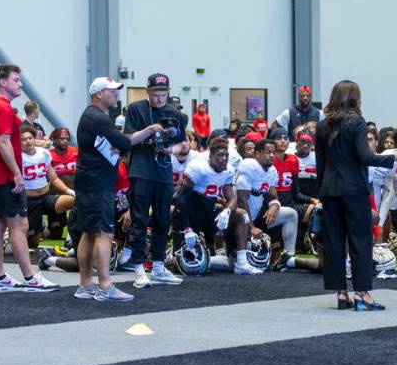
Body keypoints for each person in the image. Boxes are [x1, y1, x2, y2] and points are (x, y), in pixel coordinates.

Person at [316, 80, 397, 310]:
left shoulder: (321, 125)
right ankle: (362, 294)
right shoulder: (357, 122)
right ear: (353, 98)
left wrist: (322, 191)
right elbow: (365, 157)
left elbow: (321, 163)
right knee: (360, 242)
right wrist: (393, 157)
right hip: (354, 189)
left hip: (329, 190)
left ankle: (340, 293)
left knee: (335, 242)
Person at [74, 77, 159, 301]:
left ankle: (85, 284)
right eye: (113, 91)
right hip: (97, 183)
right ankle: (105, 286)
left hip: (89, 181)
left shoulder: (91, 115)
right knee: (104, 232)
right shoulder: (98, 117)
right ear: (99, 93)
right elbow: (124, 143)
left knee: (90, 232)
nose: (117, 95)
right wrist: (150, 130)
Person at [0, 64, 59, 292]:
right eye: (16, 80)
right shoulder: (3, 108)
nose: (21, 83)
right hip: (4, 177)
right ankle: (30, 277)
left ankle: (0, 277)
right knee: (19, 225)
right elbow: (3, 142)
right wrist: (17, 173)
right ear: (3, 82)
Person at [120, 73, 186, 288]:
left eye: (163, 93)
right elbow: (127, 139)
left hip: (164, 172)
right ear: (147, 91)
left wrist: (171, 149)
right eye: (155, 93)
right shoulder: (136, 108)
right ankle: (138, 267)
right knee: (140, 219)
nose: (159, 98)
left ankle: (158, 265)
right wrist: (149, 130)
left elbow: (182, 144)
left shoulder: (174, 113)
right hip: (141, 170)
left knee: (162, 219)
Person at [174, 138, 246, 273]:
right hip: (191, 212)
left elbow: (232, 199)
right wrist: (187, 228)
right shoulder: (198, 167)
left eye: (226, 156)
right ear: (211, 156)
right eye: (219, 155)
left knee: (240, 214)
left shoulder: (228, 170)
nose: (223, 159)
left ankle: (241, 261)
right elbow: (182, 200)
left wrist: (227, 211)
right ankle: (170, 257)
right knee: (190, 267)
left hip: (210, 213)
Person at [234, 139, 300, 274]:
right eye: (268, 152)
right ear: (257, 153)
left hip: (257, 216)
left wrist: (274, 206)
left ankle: (288, 257)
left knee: (291, 214)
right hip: (239, 219)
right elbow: (242, 200)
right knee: (231, 263)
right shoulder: (248, 166)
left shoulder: (271, 171)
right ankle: (213, 260)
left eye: (273, 153)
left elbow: (273, 196)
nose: (271, 155)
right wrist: (251, 227)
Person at [20, 126, 74, 248]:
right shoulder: (16, 157)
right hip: (29, 201)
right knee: (33, 243)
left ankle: (72, 237)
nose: (28, 141)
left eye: (30, 138)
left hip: (46, 197)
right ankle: (39, 229)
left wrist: (68, 190)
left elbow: (54, 178)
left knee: (75, 200)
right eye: (24, 139)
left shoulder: (43, 153)